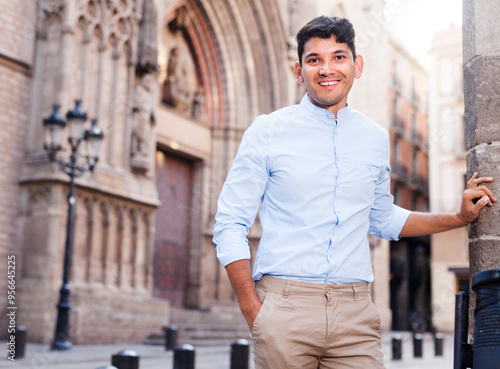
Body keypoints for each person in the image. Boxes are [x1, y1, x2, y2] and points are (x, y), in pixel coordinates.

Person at [212, 16, 496, 369]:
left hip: (355, 314)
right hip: (283, 308)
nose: (327, 69)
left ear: (357, 65)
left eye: (339, 57)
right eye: (314, 60)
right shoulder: (268, 131)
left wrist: (458, 217)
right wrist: (253, 310)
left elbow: (382, 218)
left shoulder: (375, 138)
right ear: (298, 70)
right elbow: (229, 223)